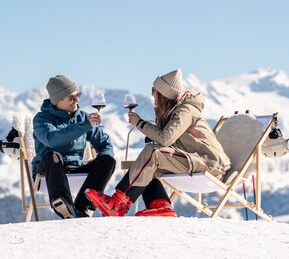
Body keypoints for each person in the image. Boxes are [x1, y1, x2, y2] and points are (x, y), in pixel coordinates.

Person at [85, 69, 231, 217]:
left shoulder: (185, 110)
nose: (152, 94)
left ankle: (118, 204)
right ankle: (161, 206)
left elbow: (166, 138)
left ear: (163, 94)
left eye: (154, 90)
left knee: (153, 153)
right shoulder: (174, 110)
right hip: (194, 159)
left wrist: (140, 123)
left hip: (209, 163)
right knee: (149, 166)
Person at [32, 75, 116, 219]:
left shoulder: (82, 117)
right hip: (49, 173)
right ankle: (63, 205)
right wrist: (84, 126)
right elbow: (52, 140)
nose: (77, 100)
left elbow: (105, 143)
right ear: (58, 100)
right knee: (52, 155)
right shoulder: (42, 119)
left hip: (76, 169)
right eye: (72, 97)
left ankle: (81, 207)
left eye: (78, 95)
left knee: (108, 160)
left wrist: (103, 160)